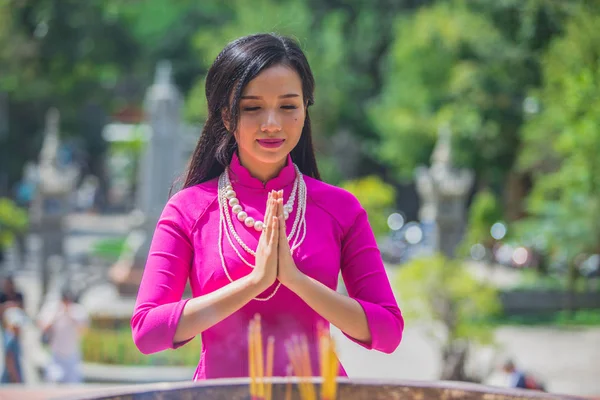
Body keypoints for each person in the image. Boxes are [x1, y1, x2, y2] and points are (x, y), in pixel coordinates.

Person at [131, 33, 404, 380]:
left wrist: (295, 280)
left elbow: (388, 331)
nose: (272, 123)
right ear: (226, 116)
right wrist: (255, 282)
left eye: (288, 106)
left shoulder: (341, 208)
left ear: (305, 109)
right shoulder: (188, 210)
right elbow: (147, 331)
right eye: (252, 107)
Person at [38, 289, 89, 383]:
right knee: (52, 382)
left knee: (74, 385)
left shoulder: (78, 310)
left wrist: (70, 315)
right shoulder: (52, 309)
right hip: (55, 354)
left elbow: (83, 330)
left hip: (72, 354)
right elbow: (43, 328)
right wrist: (57, 315)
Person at [1, 306, 27, 383]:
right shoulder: (10, 338)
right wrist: (16, 379)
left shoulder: (14, 338)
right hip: (10, 380)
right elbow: (9, 360)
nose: (19, 329)